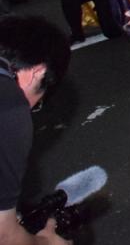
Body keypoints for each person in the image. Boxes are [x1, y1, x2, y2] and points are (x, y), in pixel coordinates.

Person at [0, 16, 71, 245]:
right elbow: (4, 236)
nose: (30, 108)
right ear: (37, 73)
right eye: (37, 102)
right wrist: (47, 242)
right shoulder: (10, 108)